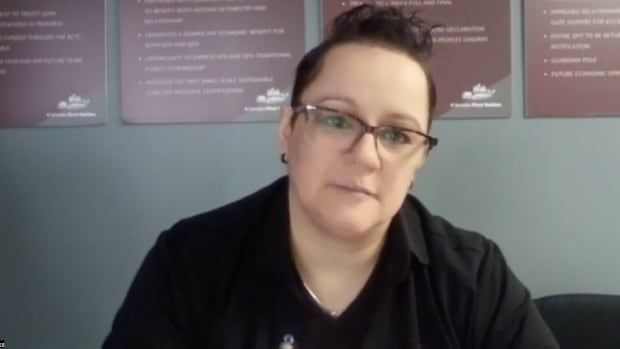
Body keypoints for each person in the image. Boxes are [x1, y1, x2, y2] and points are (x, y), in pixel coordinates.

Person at [103, 5, 559, 348]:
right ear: (287, 130)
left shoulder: (472, 278)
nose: (365, 156)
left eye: (397, 135)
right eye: (337, 120)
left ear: (419, 159)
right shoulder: (189, 264)